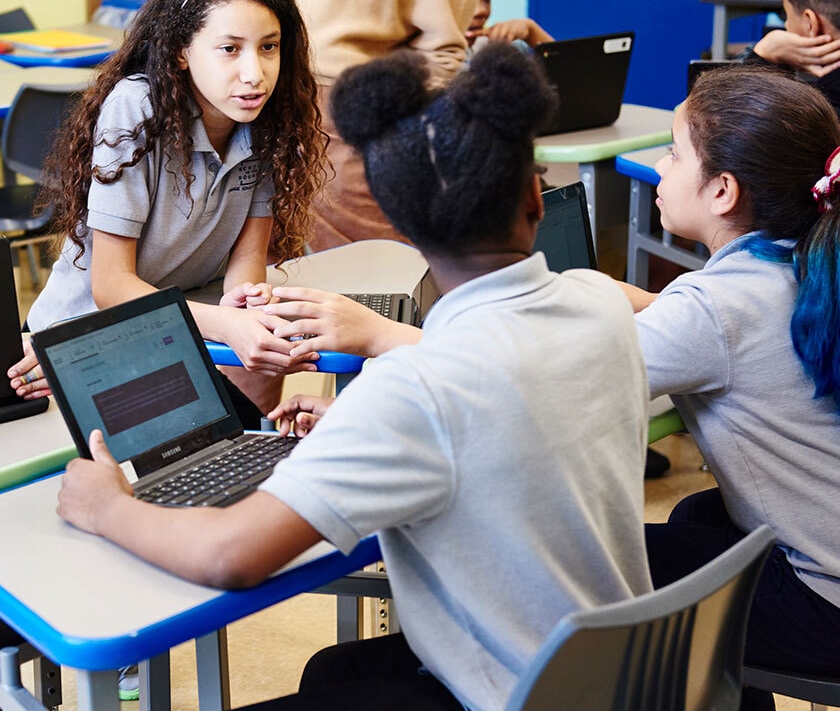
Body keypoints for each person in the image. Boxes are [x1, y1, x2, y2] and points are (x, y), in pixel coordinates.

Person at [55, 43, 652, 711]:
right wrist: (357, 433)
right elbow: (507, 411)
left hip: (515, 694)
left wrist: (107, 505)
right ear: (535, 197)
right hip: (622, 676)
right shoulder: (604, 307)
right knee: (333, 673)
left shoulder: (415, 389)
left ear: (400, 224)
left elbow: (231, 554)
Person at [10, 0, 328, 419]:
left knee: (247, 443)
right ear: (181, 51)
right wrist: (225, 323)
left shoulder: (263, 117)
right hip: (82, 349)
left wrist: (245, 304)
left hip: (173, 337)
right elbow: (112, 287)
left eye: (269, 46)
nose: (254, 73)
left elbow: (246, 260)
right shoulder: (136, 108)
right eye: (229, 48)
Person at [615, 65, 840, 711]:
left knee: (588, 570)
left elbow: (548, 380)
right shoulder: (809, 256)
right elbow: (734, 332)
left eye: (674, 151)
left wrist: (381, 335)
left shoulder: (712, 309)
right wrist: (647, 304)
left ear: (722, 190)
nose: (659, 165)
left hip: (823, 605)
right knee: (694, 518)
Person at [267, 0, 483, 250]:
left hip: (271, 82)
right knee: (374, 255)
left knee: (283, 247)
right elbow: (443, 54)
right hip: (341, 98)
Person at [742, 0, 840, 116]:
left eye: (786, 16)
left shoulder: (811, 118)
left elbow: (717, 127)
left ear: (811, 23)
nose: (786, 26)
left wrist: (764, 55)